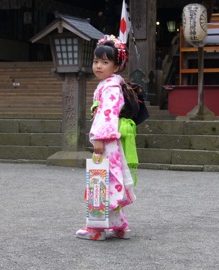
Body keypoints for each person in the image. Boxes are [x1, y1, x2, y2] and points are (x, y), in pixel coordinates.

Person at [76, 35, 137, 241]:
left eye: (105, 62)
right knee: (111, 180)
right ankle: (119, 225)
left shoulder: (110, 88)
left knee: (101, 181)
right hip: (111, 141)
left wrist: (99, 139)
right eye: (95, 61)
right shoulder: (110, 85)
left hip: (107, 140)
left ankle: (96, 228)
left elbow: (107, 114)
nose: (98, 66)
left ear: (116, 65)